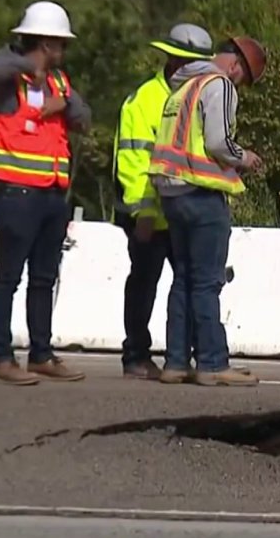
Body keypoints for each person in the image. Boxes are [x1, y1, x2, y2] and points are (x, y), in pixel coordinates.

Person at [0, 1, 93, 386]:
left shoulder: (59, 82)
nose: (62, 52)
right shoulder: (10, 80)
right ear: (43, 42)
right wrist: (29, 65)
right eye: (58, 44)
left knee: (44, 278)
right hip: (17, 194)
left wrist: (67, 102)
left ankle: (41, 354)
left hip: (52, 197)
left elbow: (83, 119)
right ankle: (1, 356)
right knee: (8, 277)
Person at [147, 36, 268, 387]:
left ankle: (176, 362)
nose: (239, 85)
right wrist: (244, 157)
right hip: (201, 193)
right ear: (236, 66)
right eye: (243, 78)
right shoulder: (220, 85)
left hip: (172, 194)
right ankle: (212, 364)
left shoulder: (183, 87)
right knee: (206, 282)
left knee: (183, 279)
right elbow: (218, 142)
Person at [113, 24, 217, 380]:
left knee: (187, 282)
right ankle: (136, 355)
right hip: (147, 210)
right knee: (144, 282)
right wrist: (143, 210)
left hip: (181, 209)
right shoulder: (145, 100)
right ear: (175, 62)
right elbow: (134, 160)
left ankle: (181, 356)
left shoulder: (193, 97)